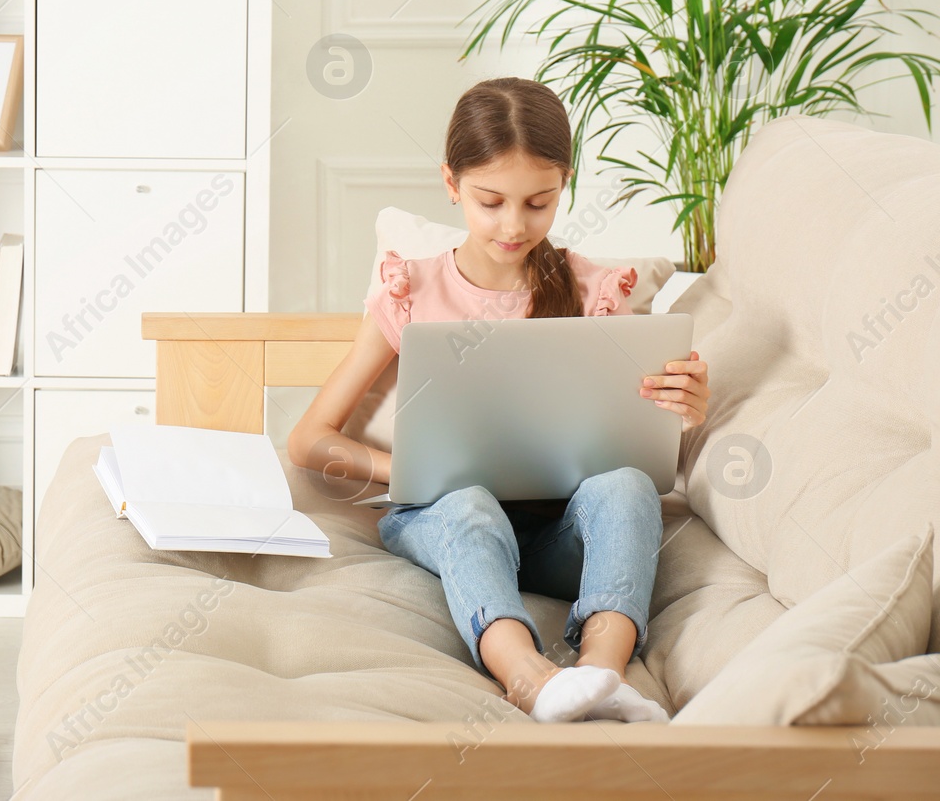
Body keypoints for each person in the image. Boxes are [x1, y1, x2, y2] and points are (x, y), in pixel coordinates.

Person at [287, 77, 710, 723]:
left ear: (564, 185)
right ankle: (530, 676)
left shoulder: (593, 290)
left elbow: (634, 434)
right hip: (449, 515)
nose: (514, 225)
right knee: (471, 503)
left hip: (558, 530)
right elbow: (310, 437)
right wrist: (405, 470)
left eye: (539, 202)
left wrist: (684, 405)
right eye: (490, 201)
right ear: (451, 184)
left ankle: (602, 671)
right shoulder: (412, 290)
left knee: (627, 484)